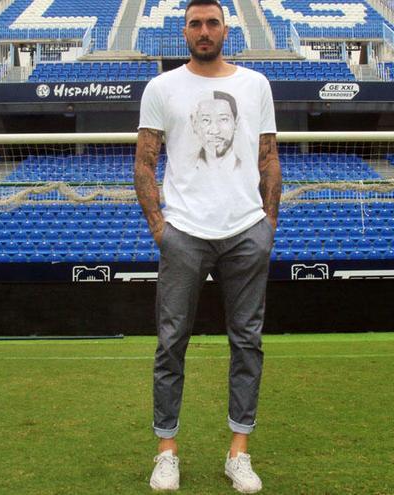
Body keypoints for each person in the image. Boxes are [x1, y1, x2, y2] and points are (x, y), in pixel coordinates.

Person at [133, 0, 281, 492]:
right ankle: (166, 451)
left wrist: (267, 225)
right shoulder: (162, 87)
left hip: (245, 231)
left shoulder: (255, 85)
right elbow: (144, 162)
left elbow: (268, 156)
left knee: (247, 343)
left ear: (225, 29)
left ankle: (239, 451)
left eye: (211, 22)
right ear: (185, 31)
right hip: (185, 234)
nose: (203, 30)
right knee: (171, 343)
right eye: (195, 23)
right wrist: (161, 228)